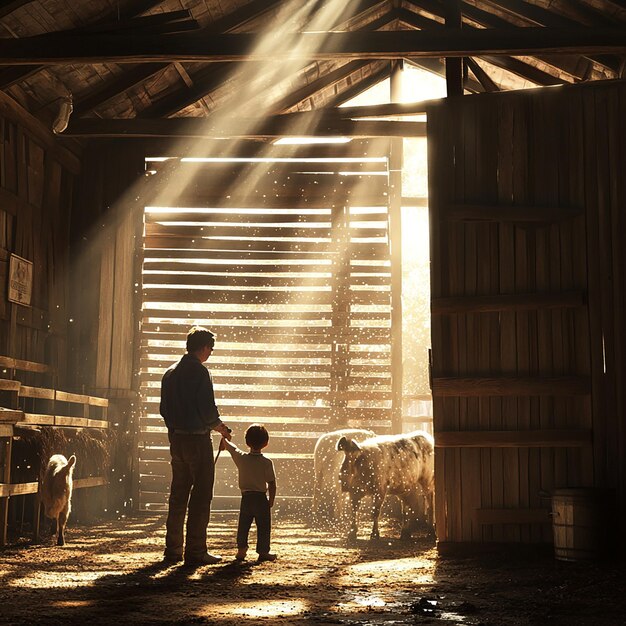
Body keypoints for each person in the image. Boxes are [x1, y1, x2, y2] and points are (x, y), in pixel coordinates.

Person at [159, 326, 232, 566]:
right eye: (210, 348)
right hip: (198, 441)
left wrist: (174, 432)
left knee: (178, 496)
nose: (211, 352)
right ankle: (196, 550)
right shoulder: (201, 373)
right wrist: (221, 428)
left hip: (177, 440)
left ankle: (173, 551)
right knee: (201, 496)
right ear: (203, 347)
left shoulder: (170, 373)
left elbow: (164, 410)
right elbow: (207, 409)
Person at [219, 424, 277, 562]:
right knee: (263, 526)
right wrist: (271, 500)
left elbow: (231, 448)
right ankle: (263, 551)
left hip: (246, 498)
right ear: (266, 443)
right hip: (261, 498)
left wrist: (224, 440)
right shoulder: (266, 462)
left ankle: (242, 549)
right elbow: (272, 483)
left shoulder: (242, 458)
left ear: (247, 442)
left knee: (244, 524)